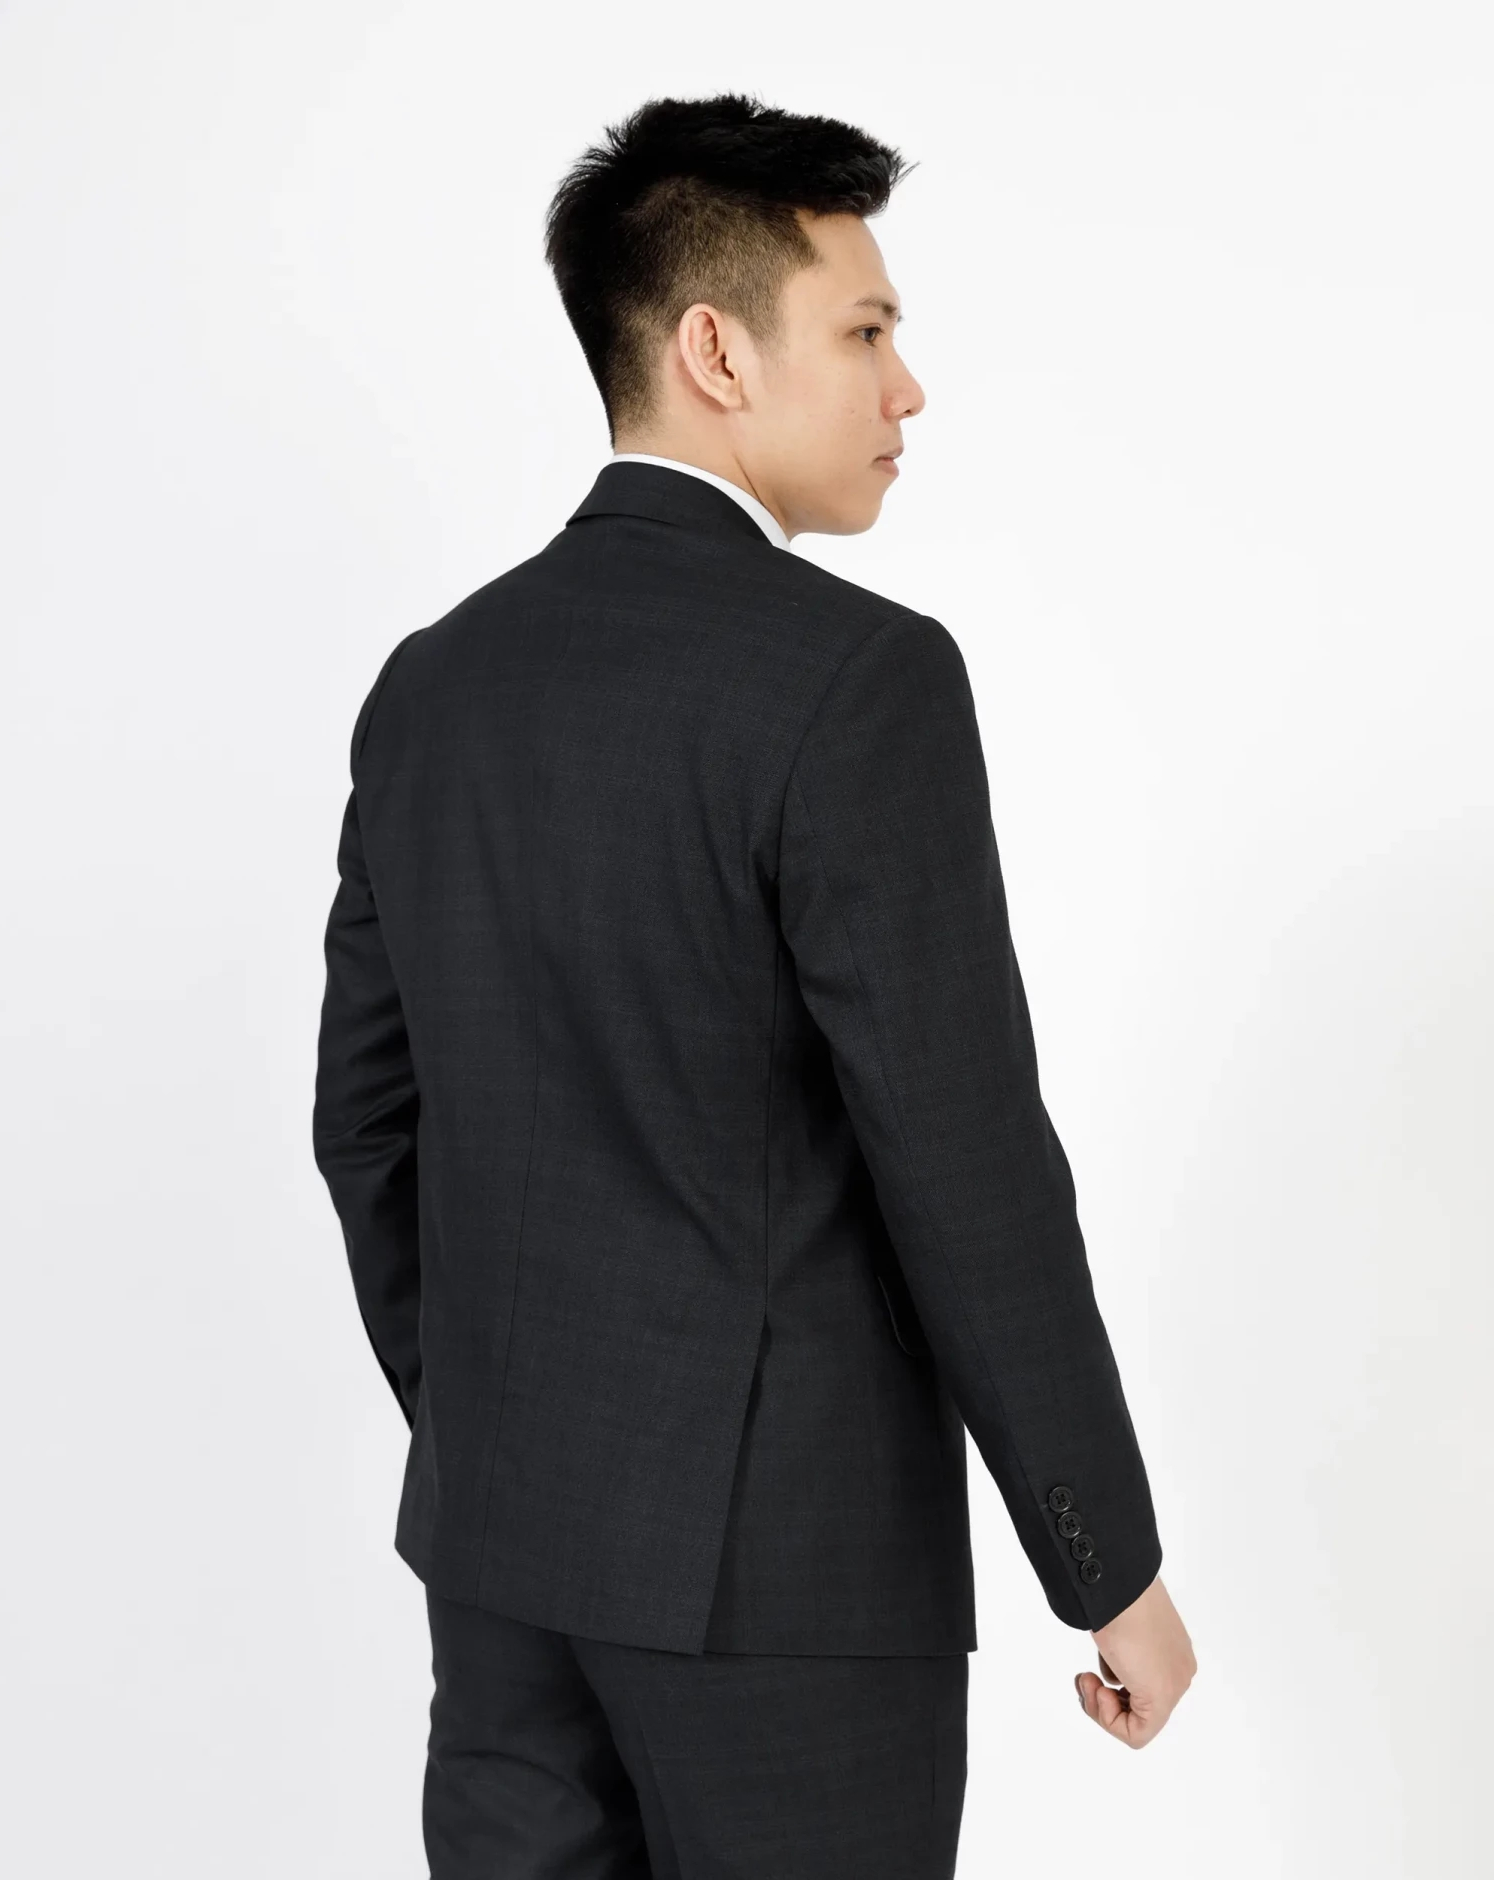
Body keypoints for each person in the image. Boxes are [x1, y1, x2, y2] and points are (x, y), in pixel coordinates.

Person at [313, 90, 1195, 1878]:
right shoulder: (861, 682)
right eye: (865, 332)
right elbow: (965, 1164)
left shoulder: (435, 685)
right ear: (715, 350)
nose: (906, 388)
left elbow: (368, 1128)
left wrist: (497, 1421)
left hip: (501, 1560)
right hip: (790, 1582)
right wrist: (1110, 1566)